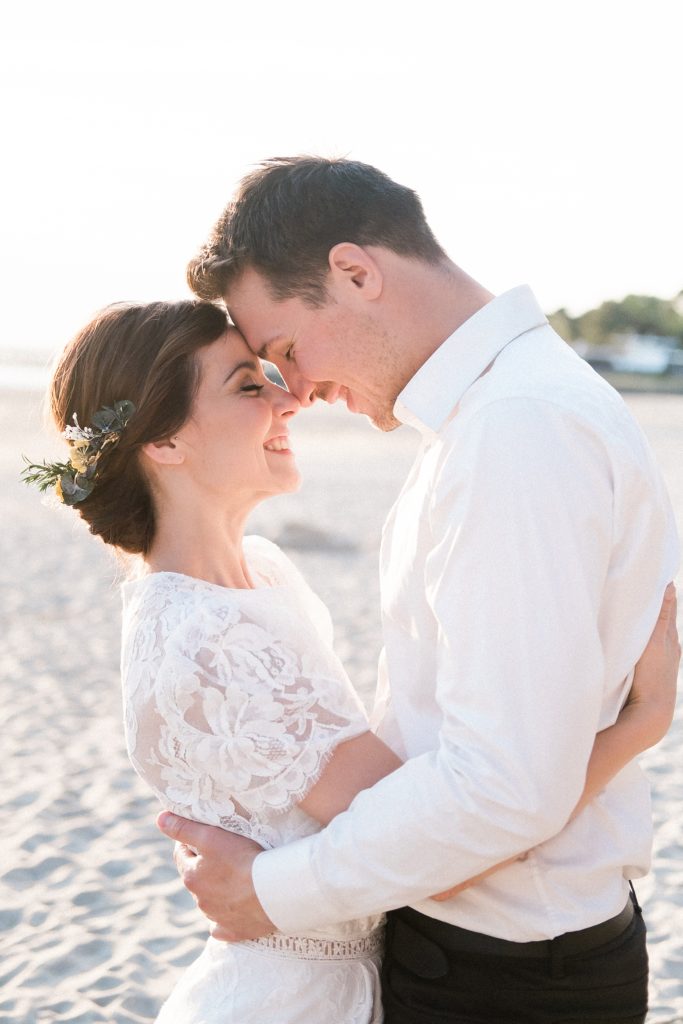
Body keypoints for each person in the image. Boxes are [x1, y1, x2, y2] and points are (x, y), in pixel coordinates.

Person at [24, 299, 678, 1024]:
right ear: (165, 442)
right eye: (247, 385)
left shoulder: (261, 575)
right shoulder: (208, 637)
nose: (288, 398)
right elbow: (458, 846)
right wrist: (638, 725)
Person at [156, 157, 682, 1024]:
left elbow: (503, 785)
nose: (299, 390)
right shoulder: (501, 412)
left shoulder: (514, 430)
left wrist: (271, 892)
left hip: (504, 972)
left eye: (285, 350)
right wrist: (632, 733)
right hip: (503, 948)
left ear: (356, 273)